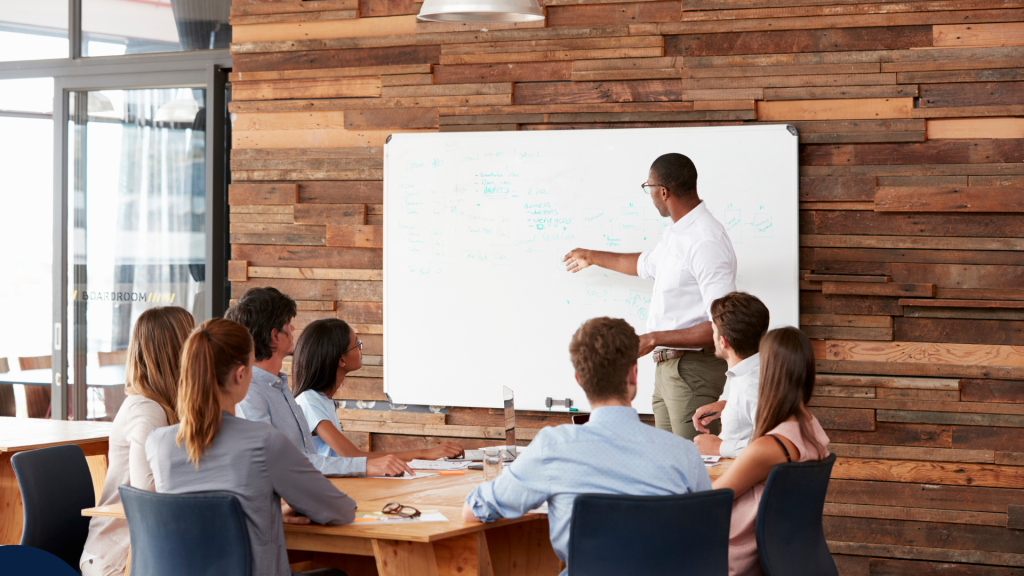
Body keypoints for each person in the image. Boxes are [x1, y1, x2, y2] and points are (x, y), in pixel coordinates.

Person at [462, 317, 711, 575]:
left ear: (579, 379)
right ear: (633, 374)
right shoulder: (684, 454)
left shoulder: (553, 448)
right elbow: (706, 539)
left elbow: (473, 510)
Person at [146, 318, 356, 576]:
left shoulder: (158, 444)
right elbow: (340, 510)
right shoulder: (265, 441)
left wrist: (268, 511)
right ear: (241, 375)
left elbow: (203, 513)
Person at [563, 153, 737, 440]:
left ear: (663, 192)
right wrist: (592, 256)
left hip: (691, 370)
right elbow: (644, 264)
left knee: (692, 464)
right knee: (670, 466)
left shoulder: (705, 241)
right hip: (668, 368)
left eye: (649, 187)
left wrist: (655, 338)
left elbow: (722, 326)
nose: (650, 194)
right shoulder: (678, 235)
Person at [225, 287, 412, 477]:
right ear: (275, 336)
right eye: (288, 324)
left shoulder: (280, 387)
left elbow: (305, 458)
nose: (293, 329)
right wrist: (363, 466)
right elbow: (280, 463)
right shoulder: (249, 394)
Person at [80, 306, 194, 576]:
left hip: (152, 548)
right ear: (179, 349)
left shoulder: (170, 407)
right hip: (118, 557)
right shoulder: (146, 410)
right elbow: (148, 493)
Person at [711, 327, 831, 576]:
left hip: (736, 556)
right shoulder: (812, 429)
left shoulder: (769, 447)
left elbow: (711, 500)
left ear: (767, 373)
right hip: (785, 551)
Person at [292, 318, 464, 461]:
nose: (361, 348)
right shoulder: (309, 401)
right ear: (341, 359)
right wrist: (425, 453)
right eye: (356, 344)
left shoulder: (322, 400)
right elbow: (352, 457)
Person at [692, 292, 770, 458]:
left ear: (723, 341)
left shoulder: (751, 384)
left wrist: (719, 447)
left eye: (713, 331)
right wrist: (725, 406)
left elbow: (773, 445)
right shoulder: (750, 373)